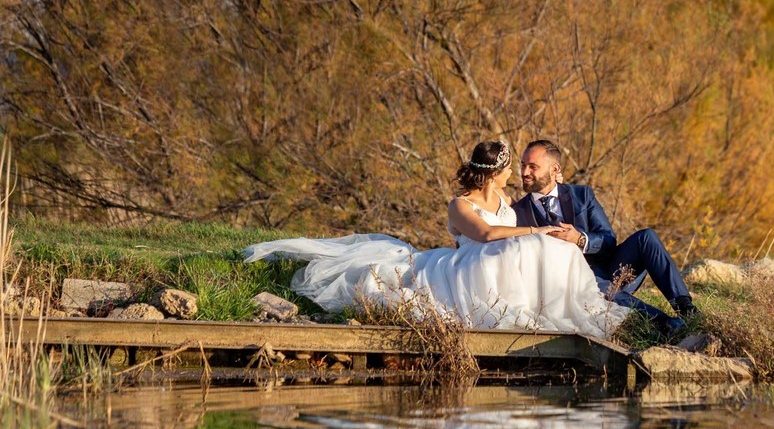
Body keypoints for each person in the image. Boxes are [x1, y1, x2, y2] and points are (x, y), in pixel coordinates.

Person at [242, 141, 630, 338]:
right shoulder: (459, 205)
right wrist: (536, 230)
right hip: (469, 263)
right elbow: (488, 234)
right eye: (512, 168)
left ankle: (566, 306)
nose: (516, 174)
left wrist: (547, 234)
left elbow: (509, 228)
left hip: (497, 260)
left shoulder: (505, 199)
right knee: (532, 242)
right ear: (495, 172)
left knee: (544, 247)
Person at [512, 139, 696, 335]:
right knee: (598, 283)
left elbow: (608, 239)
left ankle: (685, 308)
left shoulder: (582, 195)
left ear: (554, 169)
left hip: (610, 269)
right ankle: (665, 323)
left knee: (646, 237)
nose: (524, 172)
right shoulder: (518, 212)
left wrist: (580, 239)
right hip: (570, 283)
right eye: (523, 165)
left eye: (533, 167)